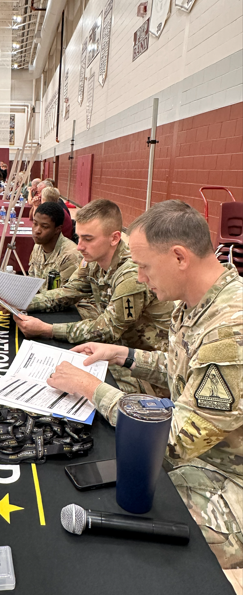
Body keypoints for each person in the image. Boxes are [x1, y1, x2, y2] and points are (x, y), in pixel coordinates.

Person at [47, 200, 243, 570]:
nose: (138, 276)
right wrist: (123, 354)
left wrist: (91, 388)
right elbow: (178, 367)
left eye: (143, 265)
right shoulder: (195, 303)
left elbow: (175, 441)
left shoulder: (229, 330)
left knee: (128, 541)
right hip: (205, 459)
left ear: (179, 257)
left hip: (229, 478)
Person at [14, 199, 174, 393]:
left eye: (88, 239)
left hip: (147, 370)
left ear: (114, 238)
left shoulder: (131, 275)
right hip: (115, 350)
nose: (79, 246)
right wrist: (20, 301)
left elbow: (106, 329)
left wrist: (47, 329)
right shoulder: (93, 260)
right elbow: (68, 292)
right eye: (78, 237)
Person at [29, 202, 81, 290]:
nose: (37, 230)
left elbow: (65, 296)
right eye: (35, 224)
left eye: (44, 226)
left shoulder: (70, 255)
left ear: (58, 229)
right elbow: (31, 280)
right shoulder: (38, 246)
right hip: (38, 300)